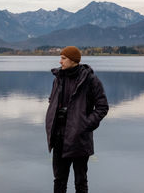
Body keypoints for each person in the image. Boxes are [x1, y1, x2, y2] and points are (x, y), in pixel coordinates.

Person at [45, 46, 109, 193]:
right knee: (59, 180)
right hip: (59, 137)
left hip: (79, 138)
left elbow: (102, 107)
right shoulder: (58, 79)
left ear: (73, 60)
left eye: (63, 58)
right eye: (60, 58)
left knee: (80, 180)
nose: (60, 61)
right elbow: (52, 100)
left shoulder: (91, 80)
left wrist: (85, 124)